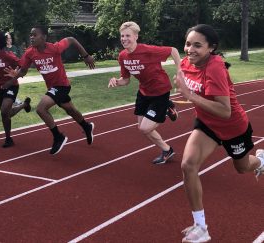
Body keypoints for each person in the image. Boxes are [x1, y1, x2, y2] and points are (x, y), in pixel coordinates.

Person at [174, 24, 264, 243]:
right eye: (188, 44)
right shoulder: (186, 63)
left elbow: (225, 111)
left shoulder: (215, 67)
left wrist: (189, 95)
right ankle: (201, 227)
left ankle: (260, 161)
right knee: (188, 165)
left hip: (233, 127)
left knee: (242, 167)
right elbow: (186, 86)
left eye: (197, 45)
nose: (190, 49)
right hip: (207, 124)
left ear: (211, 48)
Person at [4, 26, 95, 155]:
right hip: (52, 87)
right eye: (31, 35)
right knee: (70, 110)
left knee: (41, 109)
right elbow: (23, 70)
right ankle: (87, 126)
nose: (31, 37)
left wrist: (85, 56)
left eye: (35, 35)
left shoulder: (54, 48)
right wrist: (12, 80)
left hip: (62, 85)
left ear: (44, 37)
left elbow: (72, 39)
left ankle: (58, 137)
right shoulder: (30, 53)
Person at [108, 21, 181, 164]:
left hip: (160, 91)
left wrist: (180, 72)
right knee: (142, 128)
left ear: (136, 36)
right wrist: (116, 81)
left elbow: (173, 50)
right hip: (144, 92)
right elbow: (126, 80)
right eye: (122, 36)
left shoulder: (147, 50)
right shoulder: (122, 56)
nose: (124, 39)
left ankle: (166, 106)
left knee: (145, 128)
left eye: (128, 35)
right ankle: (167, 150)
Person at [0, 32, 31, 148]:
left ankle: (8, 138)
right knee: (6, 114)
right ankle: (24, 105)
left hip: (11, 86)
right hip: (0, 87)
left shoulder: (8, 55)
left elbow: (22, 66)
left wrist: (13, 76)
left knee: (4, 110)